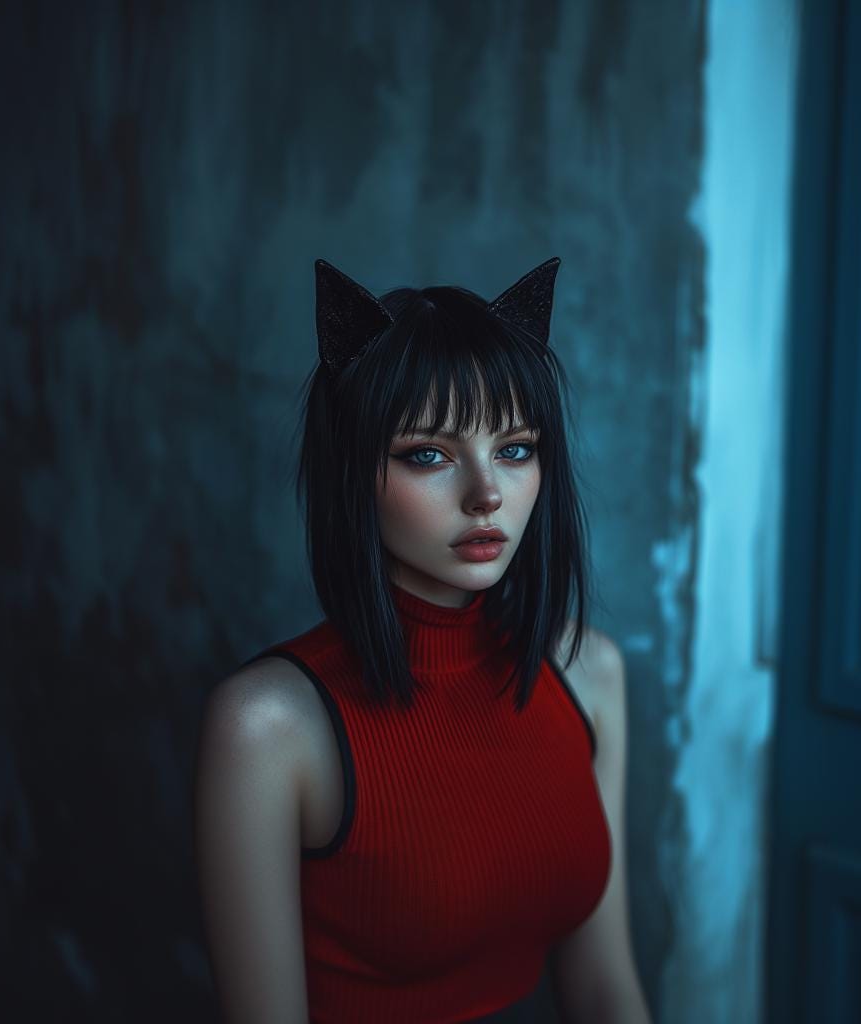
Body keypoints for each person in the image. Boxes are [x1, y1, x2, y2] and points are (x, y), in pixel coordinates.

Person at [193, 257, 652, 1024]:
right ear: (353, 469)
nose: (487, 494)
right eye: (428, 455)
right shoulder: (266, 728)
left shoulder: (589, 672)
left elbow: (606, 988)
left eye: (514, 448)